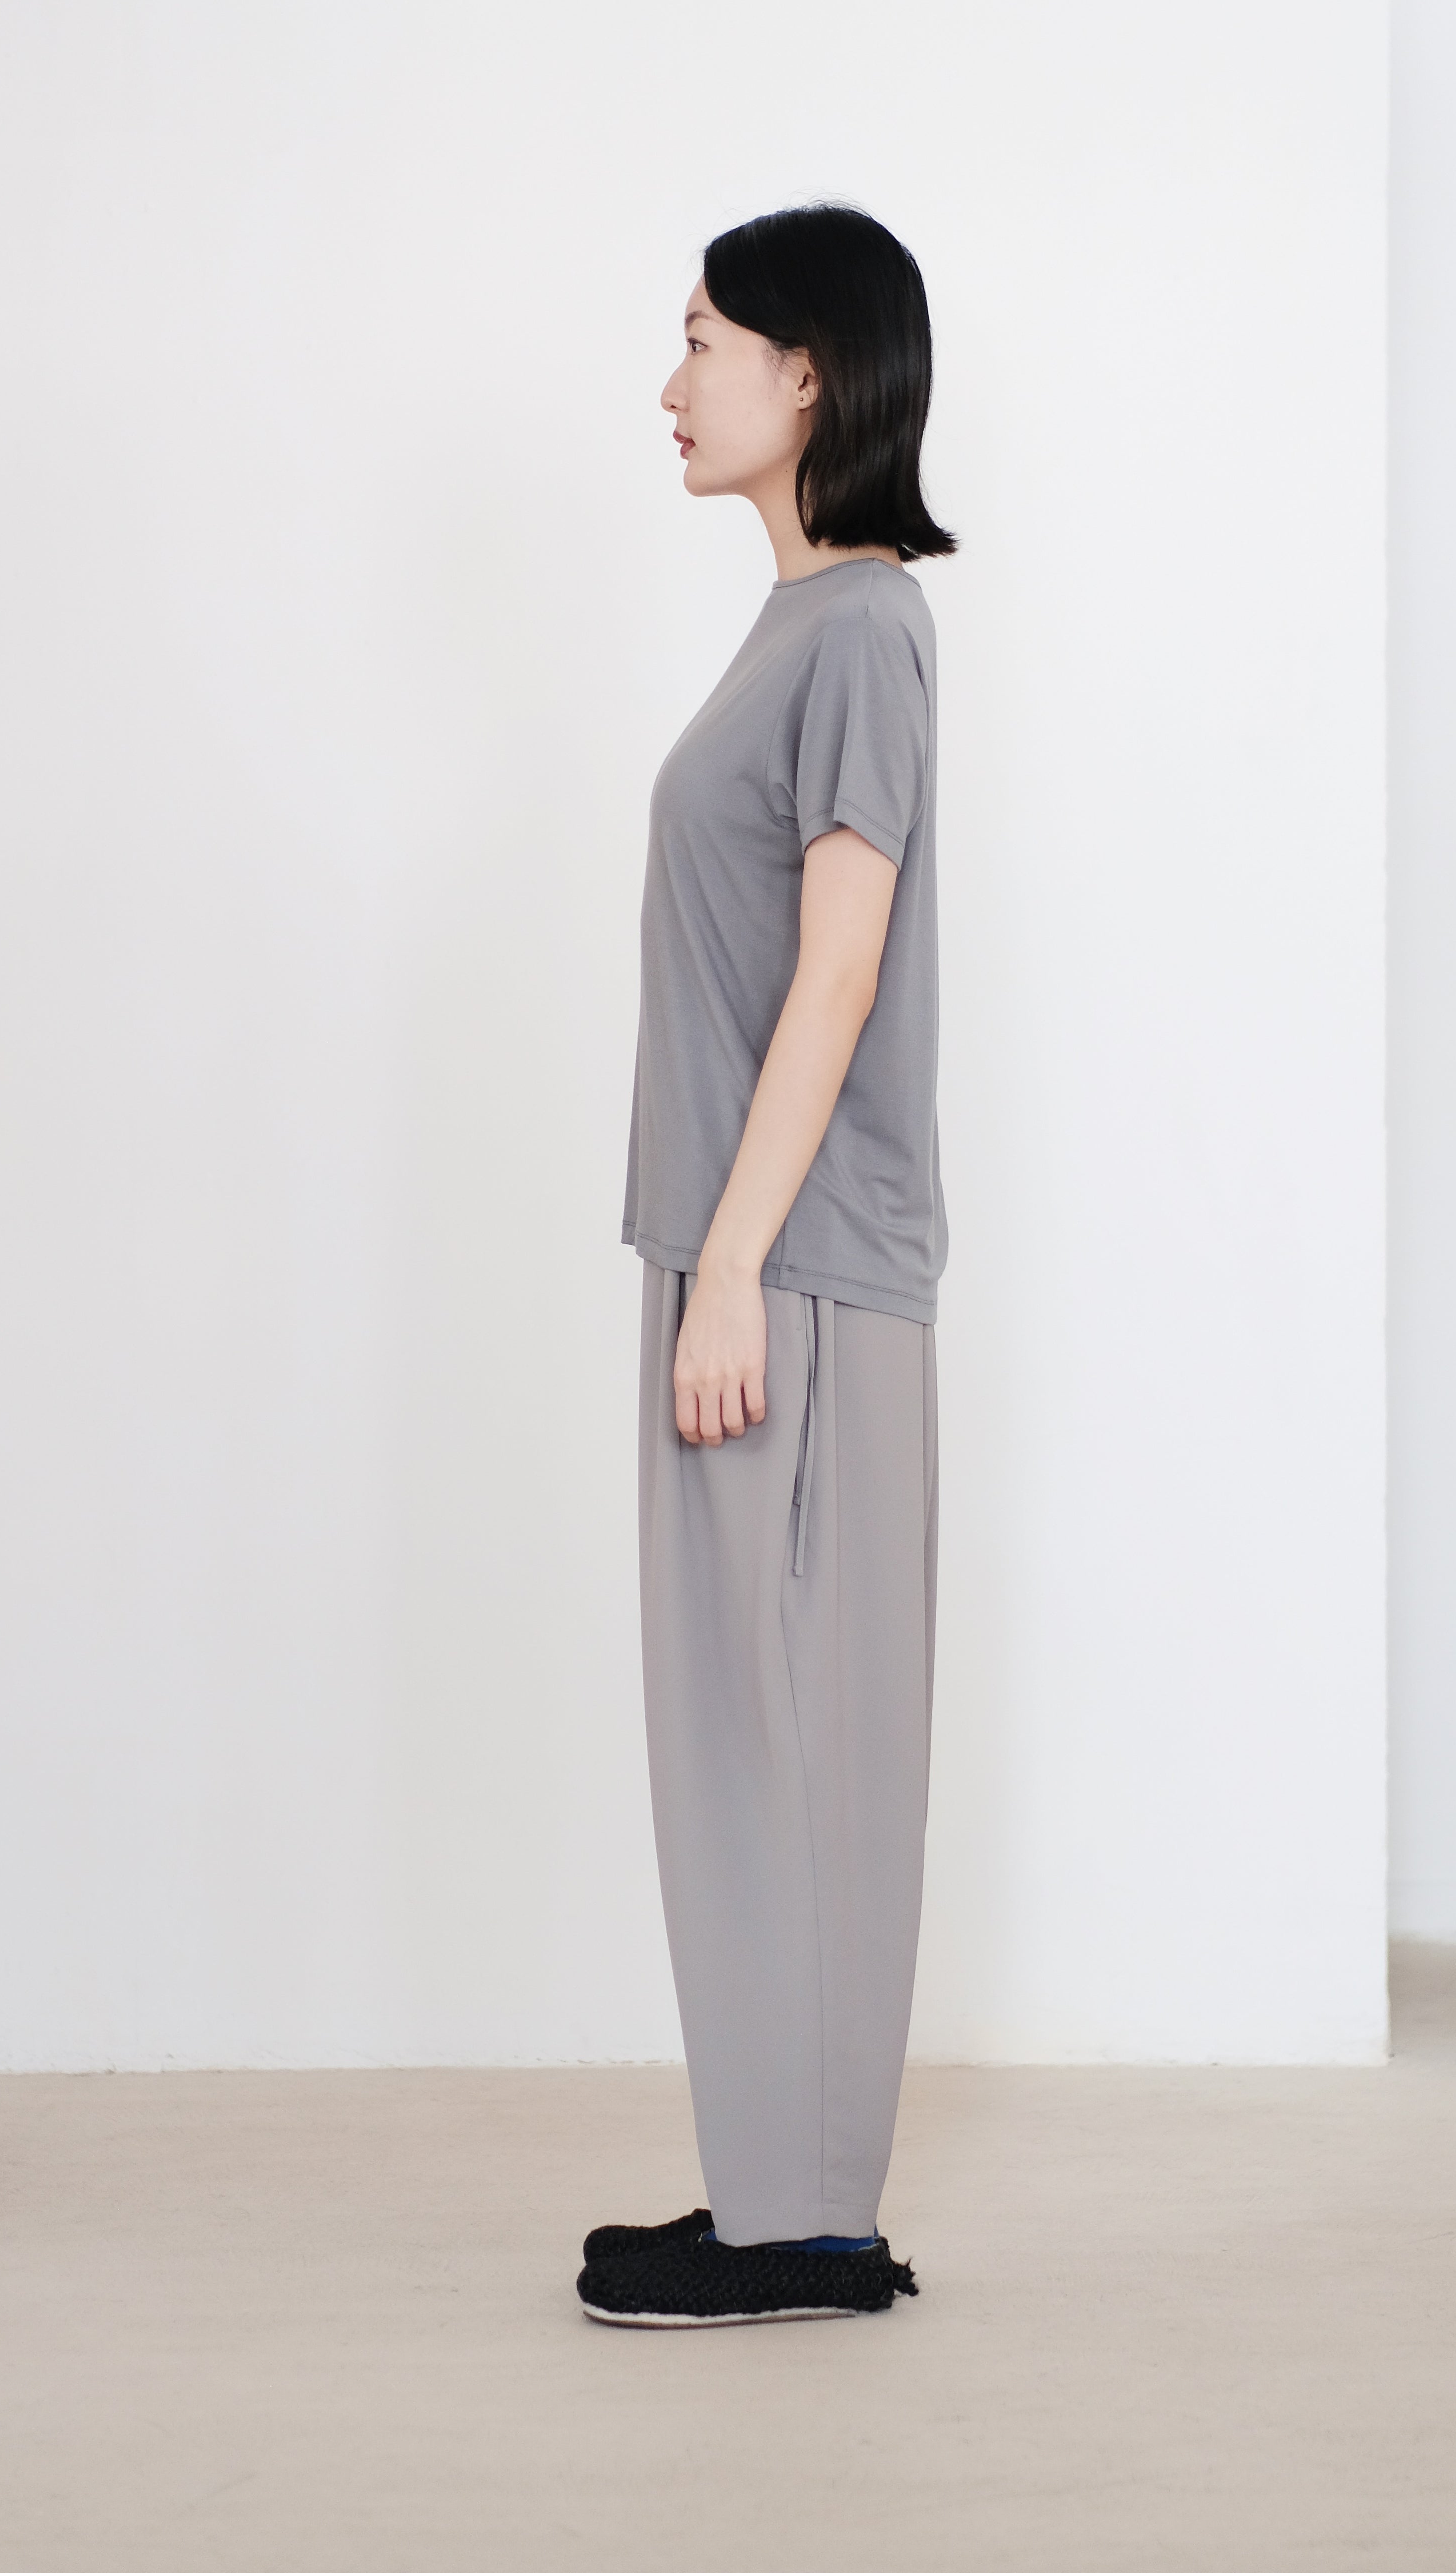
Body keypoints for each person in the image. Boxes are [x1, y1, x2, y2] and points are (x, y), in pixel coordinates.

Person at [576, 205, 954, 2329]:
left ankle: (808, 2226)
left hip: (788, 1272)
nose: (674, 380)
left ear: (811, 372)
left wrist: (730, 1270)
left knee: (791, 1729)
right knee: (740, 1732)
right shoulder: (799, 625)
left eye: (706, 339)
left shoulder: (866, 629)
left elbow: (840, 969)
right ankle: (772, 2194)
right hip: (741, 1253)